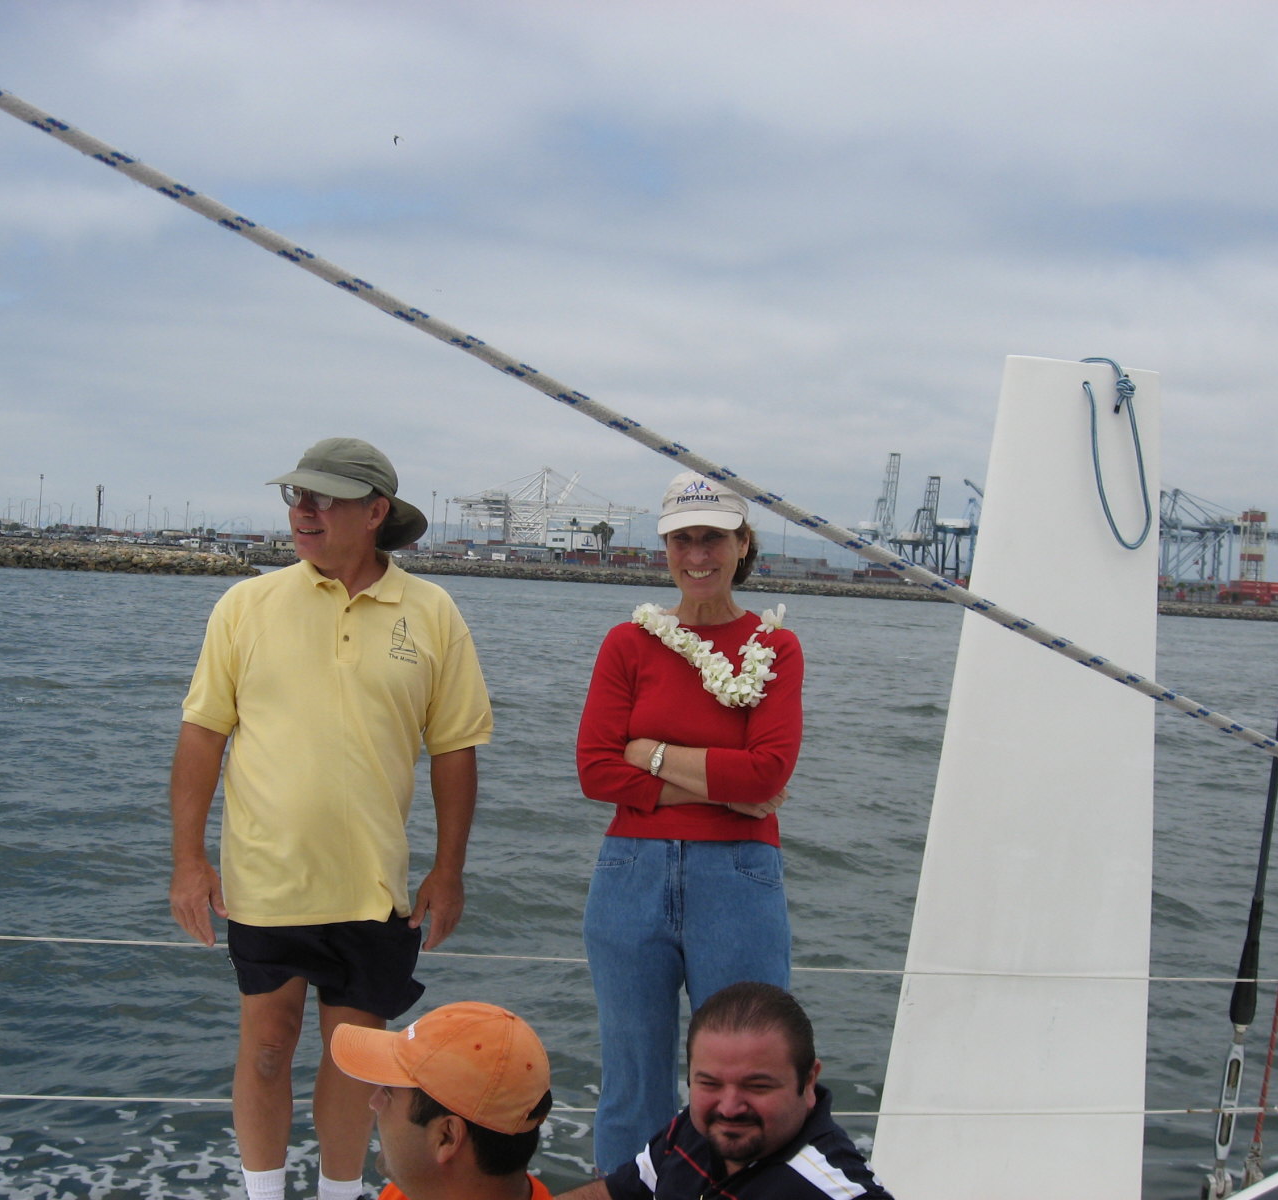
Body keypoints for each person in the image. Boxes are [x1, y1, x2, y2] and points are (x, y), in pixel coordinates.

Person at [168, 437, 493, 1200]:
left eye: (323, 498)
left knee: (356, 1064)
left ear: (376, 513)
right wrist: (188, 861)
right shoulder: (245, 605)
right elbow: (202, 736)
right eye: (296, 496)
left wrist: (448, 871)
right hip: (265, 880)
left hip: (374, 888)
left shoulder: (434, 613)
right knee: (267, 1049)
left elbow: (455, 750)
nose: (302, 510)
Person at [575, 471, 804, 1172]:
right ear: (665, 549)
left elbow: (766, 776)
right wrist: (718, 788)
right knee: (631, 1082)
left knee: (748, 1080)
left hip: (739, 879)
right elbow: (595, 770)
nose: (697, 555)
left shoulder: (777, 648)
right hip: (629, 876)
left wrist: (650, 755)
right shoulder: (627, 643)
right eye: (682, 540)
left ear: (743, 545)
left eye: (712, 539)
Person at [555, 982, 894, 1200]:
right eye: (710, 1083)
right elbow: (619, 1193)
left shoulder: (829, 1189)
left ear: (808, 1081)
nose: (729, 1108)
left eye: (757, 1086)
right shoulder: (694, 1131)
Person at [330, 1000, 556, 1200]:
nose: (374, 1102)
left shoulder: (416, 1189)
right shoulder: (416, 1189)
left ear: (447, 1136)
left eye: (388, 1093)